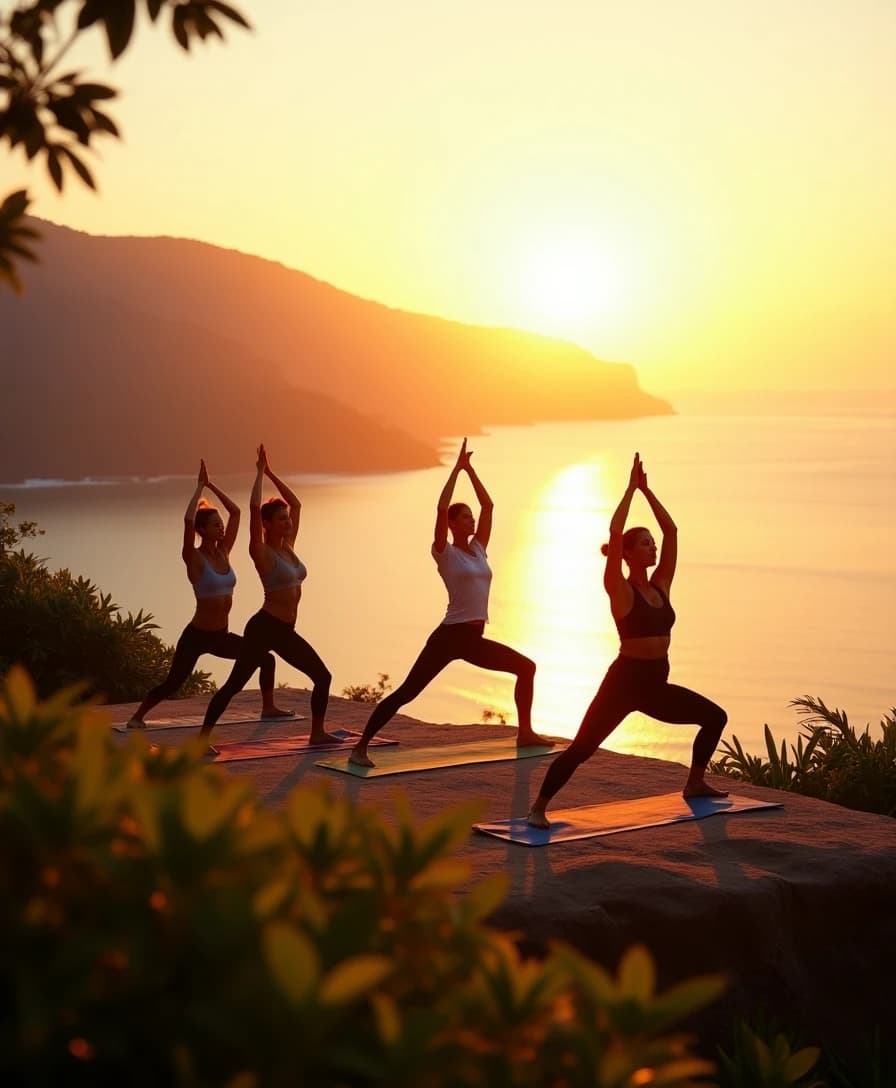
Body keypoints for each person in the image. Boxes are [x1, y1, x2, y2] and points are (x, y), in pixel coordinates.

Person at [527, 452, 728, 829]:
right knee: (582, 749)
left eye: (652, 544)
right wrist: (628, 491)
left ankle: (695, 783)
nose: (653, 548)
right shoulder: (619, 589)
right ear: (629, 553)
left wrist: (647, 492)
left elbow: (673, 533)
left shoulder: (661, 585)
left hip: (656, 684)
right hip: (624, 683)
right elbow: (615, 533)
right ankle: (538, 807)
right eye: (645, 544)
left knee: (715, 717)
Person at [349, 438, 553, 768]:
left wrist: (471, 471)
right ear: (453, 523)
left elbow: (489, 507)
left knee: (526, 668)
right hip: (449, 637)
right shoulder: (445, 553)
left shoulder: (478, 549)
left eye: (472, 518)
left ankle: (525, 732)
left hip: (474, 639)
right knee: (407, 692)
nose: (472, 520)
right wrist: (455, 470)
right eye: (466, 518)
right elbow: (441, 509)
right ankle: (360, 747)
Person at [126, 460, 291, 729]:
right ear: (202, 531)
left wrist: (212, 485)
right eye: (215, 525)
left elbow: (236, 512)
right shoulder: (193, 558)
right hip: (197, 635)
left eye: (220, 525)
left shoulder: (224, 552)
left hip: (220, 636)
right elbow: (188, 520)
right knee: (174, 682)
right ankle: (138, 715)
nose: (221, 528)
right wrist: (199, 488)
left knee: (265, 658)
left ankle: (268, 707)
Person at [199, 445, 335, 749]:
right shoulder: (261, 552)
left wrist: (273, 472)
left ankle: (317, 732)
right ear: (268, 525)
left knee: (322, 677)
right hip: (264, 627)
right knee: (235, 684)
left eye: (287, 518)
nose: (288, 521)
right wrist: (259, 474)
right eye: (282, 518)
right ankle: (203, 738)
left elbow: (297, 505)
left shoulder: (289, 545)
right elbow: (251, 509)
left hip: (286, 630)